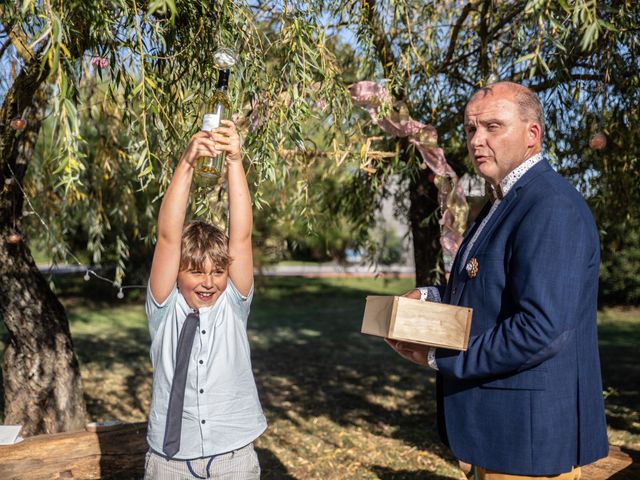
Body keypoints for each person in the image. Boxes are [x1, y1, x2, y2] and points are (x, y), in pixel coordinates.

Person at [386, 81, 609, 479]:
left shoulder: (550, 206)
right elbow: (487, 287)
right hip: (498, 435)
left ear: (532, 134)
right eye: (471, 129)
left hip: (528, 442)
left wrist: (441, 357)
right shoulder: (502, 201)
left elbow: (540, 328)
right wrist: (429, 296)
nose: (477, 140)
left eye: (492, 126)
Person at [144, 120, 265, 479]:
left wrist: (234, 161)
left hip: (234, 457)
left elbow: (241, 236)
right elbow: (168, 236)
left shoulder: (232, 304)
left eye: (217, 272)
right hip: (170, 463)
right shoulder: (165, 309)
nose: (209, 282)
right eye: (196, 272)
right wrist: (187, 163)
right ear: (177, 273)